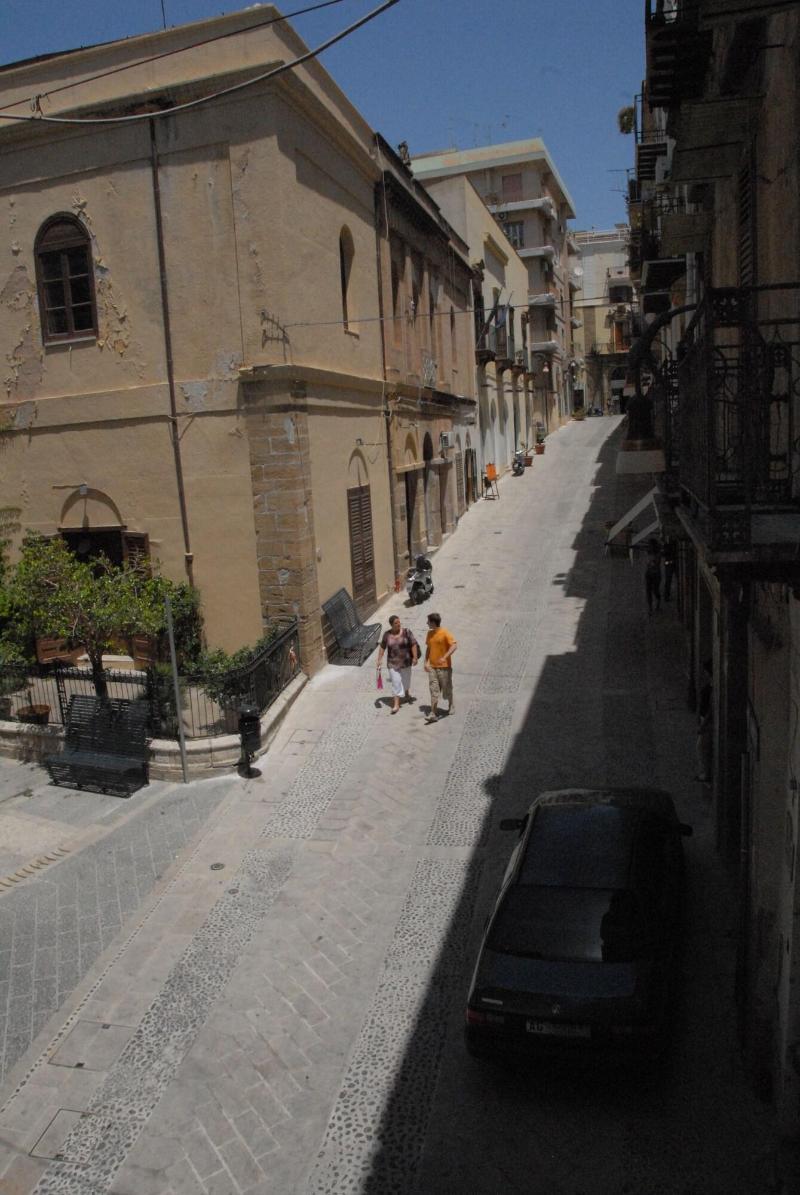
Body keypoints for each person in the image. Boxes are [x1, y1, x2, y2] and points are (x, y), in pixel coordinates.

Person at [376, 615, 418, 714]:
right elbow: (382, 647)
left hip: (406, 661)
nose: (398, 624)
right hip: (392, 663)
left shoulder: (407, 632)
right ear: (391, 625)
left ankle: (407, 693)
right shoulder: (387, 635)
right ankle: (396, 704)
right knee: (396, 682)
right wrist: (379, 659)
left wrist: (415, 657)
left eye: (399, 622)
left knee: (406, 680)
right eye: (396, 623)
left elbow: (413, 644)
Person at [424, 611, 457, 723]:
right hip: (432, 667)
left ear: (433, 622)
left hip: (444, 667)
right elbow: (428, 648)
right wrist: (425, 662)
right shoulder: (429, 634)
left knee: (447, 689)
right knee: (433, 690)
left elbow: (454, 645)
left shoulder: (445, 633)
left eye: (428, 621)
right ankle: (433, 713)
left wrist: (445, 656)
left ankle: (451, 704)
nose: (427, 623)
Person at [695, 659, 713, 785]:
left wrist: (703, 724)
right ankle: (705, 773)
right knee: (703, 746)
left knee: (701, 746)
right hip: (704, 719)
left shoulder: (712, 688)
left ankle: (705, 774)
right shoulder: (710, 686)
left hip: (707, 721)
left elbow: (710, 709)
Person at [645, 537, 662, 615]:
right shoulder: (648, 553)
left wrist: (652, 562)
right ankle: (650, 607)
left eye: (651, 545)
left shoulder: (658, 553)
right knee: (648, 591)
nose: (650, 547)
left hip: (656, 574)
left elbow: (656, 563)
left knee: (655, 590)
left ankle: (658, 602)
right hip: (649, 573)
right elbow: (648, 563)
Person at [662, 536, 677, 602]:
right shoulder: (668, 546)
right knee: (668, 580)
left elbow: (664, 554)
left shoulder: (669, 546)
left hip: (671, 564)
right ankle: (666, 595)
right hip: (671, 564)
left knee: (668, 580)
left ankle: (666, 595)